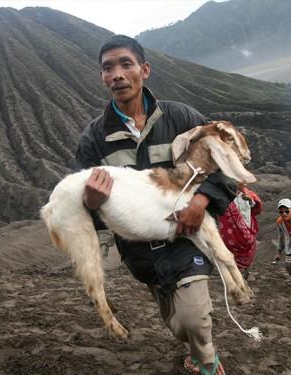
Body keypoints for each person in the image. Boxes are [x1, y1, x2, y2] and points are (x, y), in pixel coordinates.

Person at [74, 35, 236, 375]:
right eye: (108, 68)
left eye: (125, 64)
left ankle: (207, 362)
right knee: (179, 327)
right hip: (141, 253)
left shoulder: (180, 118)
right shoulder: (94, 138)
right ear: (102, 77)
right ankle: (193, 346)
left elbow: (224, 165)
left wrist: (202, 200)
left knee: (193, 319)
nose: (117, 73)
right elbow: (87, 202)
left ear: (144, 70)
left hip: (187, 236)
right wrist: (90, 202)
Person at [218, 183, 262, 280]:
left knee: (248, 248)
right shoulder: (225, 194)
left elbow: (256, 208)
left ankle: (245, 269)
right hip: (230, 229)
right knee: (231, 248)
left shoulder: (248, 194)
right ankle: (234, 272)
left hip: (246, 226)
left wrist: (250, 200)